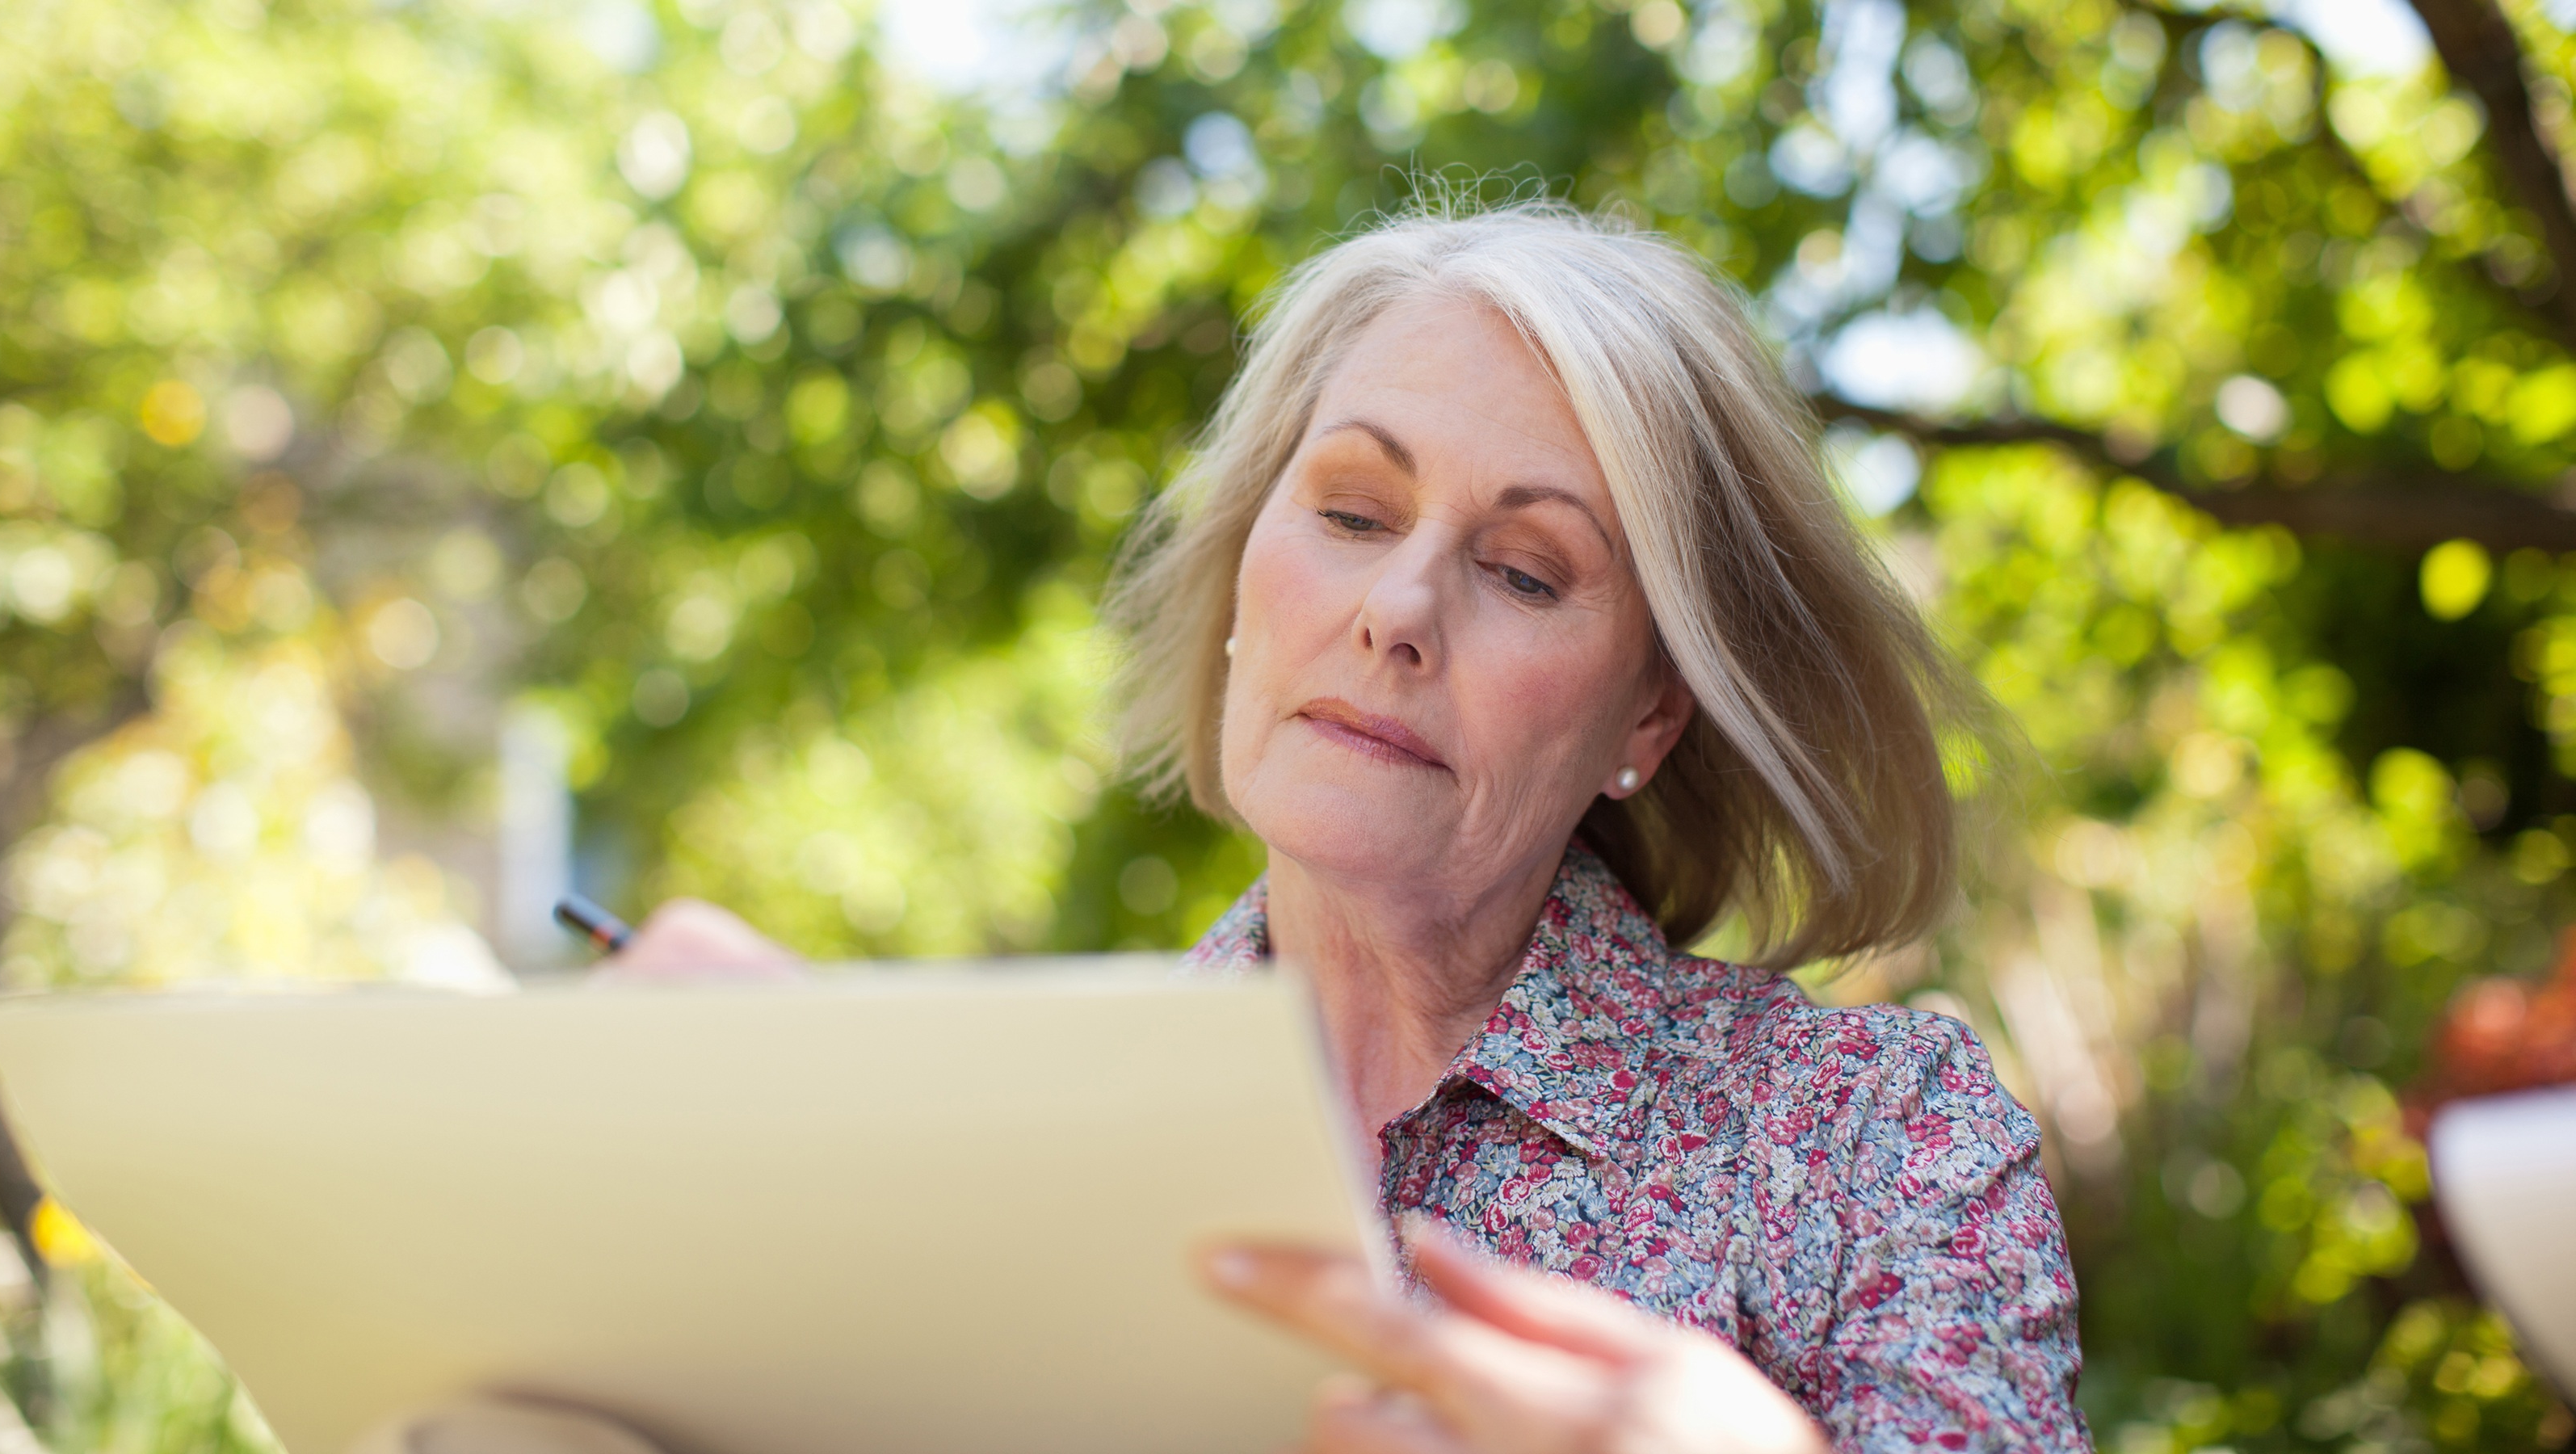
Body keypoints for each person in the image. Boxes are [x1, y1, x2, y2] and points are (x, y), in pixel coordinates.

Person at [611, 203, 2089, 1453]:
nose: (1395, 613)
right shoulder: (996, 1138)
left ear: (1648, 716)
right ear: (1251, 576)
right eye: (1355, 515)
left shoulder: (1879, 1140)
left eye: (1523, 571)